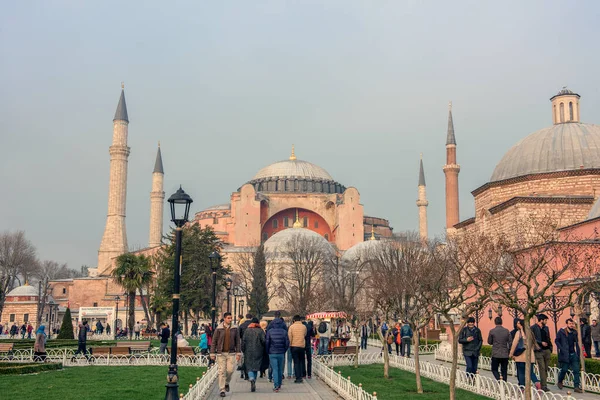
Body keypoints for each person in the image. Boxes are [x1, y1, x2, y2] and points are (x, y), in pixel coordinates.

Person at [210, 312, 242, 398]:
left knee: (230, 370)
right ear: (224, 319)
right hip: (221, 353)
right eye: (228, 318)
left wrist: (238, 353)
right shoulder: (219, 328)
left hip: (231, 353)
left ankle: (226, 382)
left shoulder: (234, 328)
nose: (230, 319)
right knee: (221, 371)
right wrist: (212, 353)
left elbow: (237, 342)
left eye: (231, 318)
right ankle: (222, 389)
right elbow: (214, 341)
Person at [509, 319, 541, 389]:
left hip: (521, 356)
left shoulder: (519, 333)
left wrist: (511, 354)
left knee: (521, 373)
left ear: (521, 325)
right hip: (530, 356)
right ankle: (537, 382)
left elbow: (514, 344)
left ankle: (522, 388)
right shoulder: (530, 333)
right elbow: (534, 344)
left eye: (518, 323)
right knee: (531, 372)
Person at [556, 318, 582, 393]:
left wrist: (578, 353)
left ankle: (576, 386)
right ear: (567, 324)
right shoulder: (562, 332)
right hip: (565, 354)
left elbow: (576, 342)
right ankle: (560, 381)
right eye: (570, 324)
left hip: (573, 353)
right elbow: (557, 340)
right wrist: (561, 348)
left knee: (576, 370)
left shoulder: (574, 332)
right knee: (564, 369)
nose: (571, 325)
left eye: (572, 323)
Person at [266, 316, 289, 392]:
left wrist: (268, 351)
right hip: (281, 352)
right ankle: (279, 384)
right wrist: (284, 350)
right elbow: (287, 343)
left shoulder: (270, 331)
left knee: (275, 369)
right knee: (280, 369)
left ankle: (276, 385)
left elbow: (267, 342)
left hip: (272, 352)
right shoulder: (284, 332)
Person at [242, 318, 265, 393]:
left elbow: (243, 341)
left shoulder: (247, 330)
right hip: (258, 351)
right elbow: (264, 341)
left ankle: (251, 378)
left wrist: (243, 350)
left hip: (248, 351)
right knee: (256, 366)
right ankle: (253, 380)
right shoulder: (260, 331)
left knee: (249, 367)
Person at [531, 314, 552, 391]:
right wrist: (540, 343)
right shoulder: (533, 328)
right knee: (542, 368)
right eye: (545, 320)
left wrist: (550, 348)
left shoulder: (546, 328)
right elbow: (532, 339)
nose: (546, 322)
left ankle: (543, 383)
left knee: (546, 368)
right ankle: (544, 386)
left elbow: (548, 338)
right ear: (541, 320)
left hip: (547, 350)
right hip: (538, 350)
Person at [487, 316, 511, 382]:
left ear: (495, 322)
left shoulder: (492, 331)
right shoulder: (506, 331)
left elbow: (489, 342)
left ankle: (499, 379)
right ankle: (504, 382)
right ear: (501, 322)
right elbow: (510, 342)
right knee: (504, 370)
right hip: (504, 353)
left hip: (496, 353)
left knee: (494, 369)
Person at [288, 314, 307, 383]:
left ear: (294, 320)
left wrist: (290, 344)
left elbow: (290, 337)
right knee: (301, 361)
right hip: (302, 346)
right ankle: (301, 376)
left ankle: (298, 377)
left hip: (294, 346)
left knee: (296, 362)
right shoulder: (304, 327)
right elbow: (305, 334)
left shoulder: (291, 327)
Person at [238, 313, 253, 380]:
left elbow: (239, 335)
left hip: (244, 344)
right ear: (251, 317)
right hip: (252, 344)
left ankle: (243, 373)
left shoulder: (242, 325)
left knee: (243, 358)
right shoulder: (253, 325)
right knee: (250, 359)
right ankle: (250, 373)